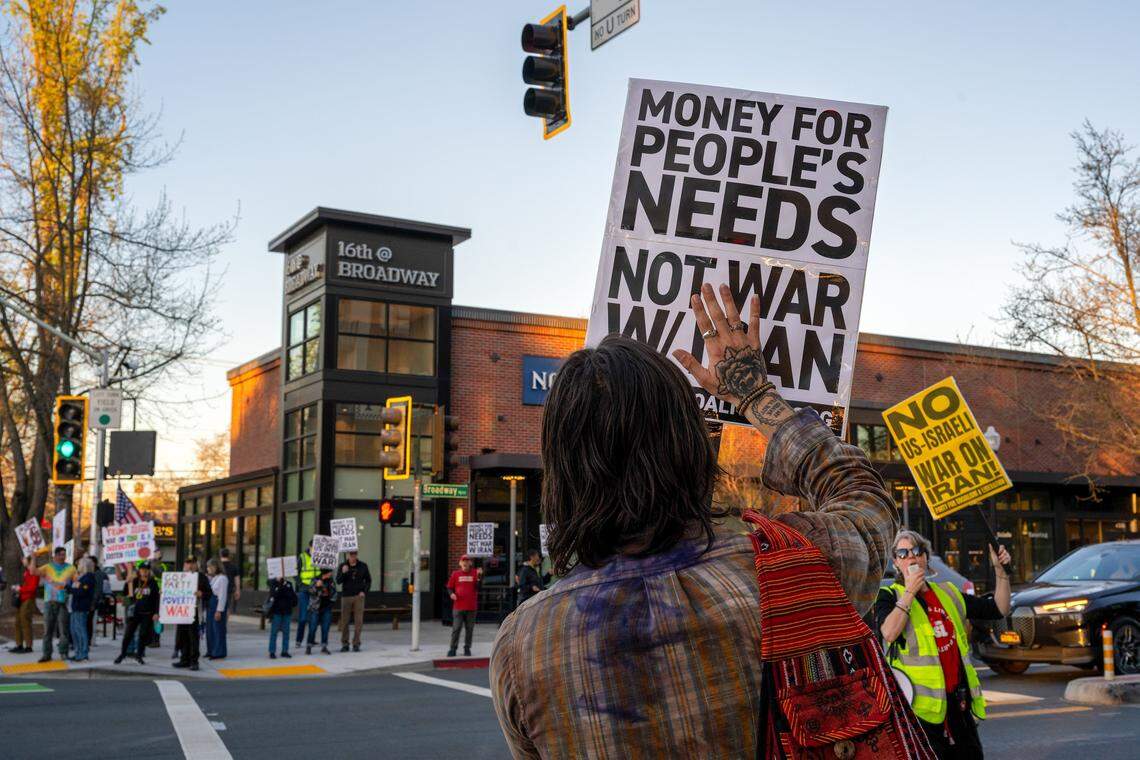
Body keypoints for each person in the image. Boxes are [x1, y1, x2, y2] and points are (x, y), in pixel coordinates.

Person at [489, 285, 899, 757]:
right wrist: (753, 392)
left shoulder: (522, 647)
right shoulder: (787, 566)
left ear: (561, 472)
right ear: (689, 446)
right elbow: (864, 500)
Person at [876, 530, 1011, 759]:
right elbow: (889, 632)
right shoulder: (890, 595)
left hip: (958, 703)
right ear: (897, 563)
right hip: (920, 709)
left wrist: (1000, 570)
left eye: (917, 551)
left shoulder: (947, 593)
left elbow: (999, 608)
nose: (911, 557)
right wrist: (910, 591)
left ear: (926, 558)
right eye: (903, 553)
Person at [34, 546, 75, 663]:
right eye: (61, 554)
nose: (63, 557)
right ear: (55, 556)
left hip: (63, 602)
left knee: (64, 630)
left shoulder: (71, 568)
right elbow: (33, 571)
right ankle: (46, 654)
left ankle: (64, 653)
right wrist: (33, 557)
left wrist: (72, 588)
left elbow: (76, 583)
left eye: (64, 555)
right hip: (49, 602)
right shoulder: (48, 567)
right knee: (47, 630)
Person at [115, 562, 160, 665]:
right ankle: (122, 654)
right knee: (128, 634)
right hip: (135, 613)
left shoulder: (152, 582)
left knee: (142, 635)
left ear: (149, 571)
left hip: (147, 613)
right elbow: (126, 593)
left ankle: (139, 656)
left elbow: (156, 598)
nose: (144, 571)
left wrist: (156, 612)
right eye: (142, 569)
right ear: (139, 571)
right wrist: (127, 582)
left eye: (146, 569)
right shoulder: (135, 581)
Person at [173, 556, 212, 671]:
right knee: (182, 635)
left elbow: (209, 593)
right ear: (184, 565)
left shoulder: (201, 577)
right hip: (181, 611)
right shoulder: (179, 577)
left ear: (196, 565)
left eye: (192, 563)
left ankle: (194, 661)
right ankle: (184, 659)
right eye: (188, 563)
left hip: (194, 611)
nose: (190, 565)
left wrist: (202, 594)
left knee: (193, 637)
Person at [446, 555, 482, 657]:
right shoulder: (455, 574)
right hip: (458, 606)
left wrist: (479, 577)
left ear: (470, 563)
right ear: (460, 563)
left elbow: (478, 587)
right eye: (463, 561)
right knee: (456, 628)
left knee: (469, 629)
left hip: (471, 607)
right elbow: (449, 587)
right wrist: (451, 594)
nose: (465, 563)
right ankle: (453, 648)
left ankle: (467, 648)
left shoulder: (475, 573)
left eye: (467, 561)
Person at [337, 549, 371, 652]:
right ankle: (345, 643)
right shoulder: (343, 565)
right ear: (348, 555)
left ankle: (356, 643)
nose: (352, 557)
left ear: (357, 555)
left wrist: (364, 591)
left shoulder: (363, 566)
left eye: (354, 554)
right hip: (346, 596)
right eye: (351, 555)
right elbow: (338, 581)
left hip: (358, 596)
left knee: (358, 621)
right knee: (345, 621)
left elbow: (368, 580)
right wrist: (343, 572)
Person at [66, 557, 97, 662]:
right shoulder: (81, 577)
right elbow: (76, 589)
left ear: (84, 565)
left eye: (79, 564)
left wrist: (70, 589)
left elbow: (81, 592)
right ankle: (78, 652)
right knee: (74, 630)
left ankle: (83, 654)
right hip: (75, 606)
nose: (77, 566)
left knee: (80, 630)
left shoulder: (88, 578)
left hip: (81, 607)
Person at [8, 557, 40, 654]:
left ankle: (28, 646)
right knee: (18, 622)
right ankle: (19, 644)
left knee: (25, 621)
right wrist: (19, 587)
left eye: (24, 559)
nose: (22, 560)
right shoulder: (26, 571)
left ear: (30, 561)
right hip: (22, 598)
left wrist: (20, 589)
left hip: (28, 599)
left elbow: (32, 588)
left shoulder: (34, 572)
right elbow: (27, 585)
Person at [305, 567, 336, 655]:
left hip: (327, 608)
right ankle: (309, 646)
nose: (331, 573)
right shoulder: (315, 580)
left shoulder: (331, 581)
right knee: (313, 628)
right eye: (330, 572)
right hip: (315, 608)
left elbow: (335, 593)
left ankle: (324, 646)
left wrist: (331, 601)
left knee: (325, 628)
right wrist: (316, 586)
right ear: (326, 572)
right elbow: (310, 591)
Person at [266, 574, 298, 659]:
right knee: (274, 632)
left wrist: (292, 601)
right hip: (277, 611)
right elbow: (274, 595)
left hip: (287, 611)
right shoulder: (273, 583)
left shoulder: (289, 584)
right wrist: (279, 584)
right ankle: (272, 652)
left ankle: (285, 651)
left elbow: (292, 596)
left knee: (286, 633)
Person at [295, 540, 319, 647]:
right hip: (304, 590)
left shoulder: (320, 557)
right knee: (303, 617)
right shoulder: (302, 557)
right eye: (314, 547)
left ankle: (311, 640)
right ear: (310, 547)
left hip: (315, 590)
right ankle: (299, 640)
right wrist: (300, 584)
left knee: (313, 618)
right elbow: (295, 572)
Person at [205, 559, 229, 659]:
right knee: (210, 629)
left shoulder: (223, 578)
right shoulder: (214, 578)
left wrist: (219, 610)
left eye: (210, 567)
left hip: (217, 605)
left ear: (216, 567)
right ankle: (211, 650)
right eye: (207, 567)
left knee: (218, 630)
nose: (208, 569)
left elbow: (222, 596)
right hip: (211, 605)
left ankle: (219, 652)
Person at [218, 548, 241, 614]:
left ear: (220, 555)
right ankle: (225, 622)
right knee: (227, 608)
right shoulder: (234, 566)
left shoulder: (217, 566)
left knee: (217, 607)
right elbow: (237, 579)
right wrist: (238, 590)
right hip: (229, 590)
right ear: (229, 555)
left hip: (217, 590)